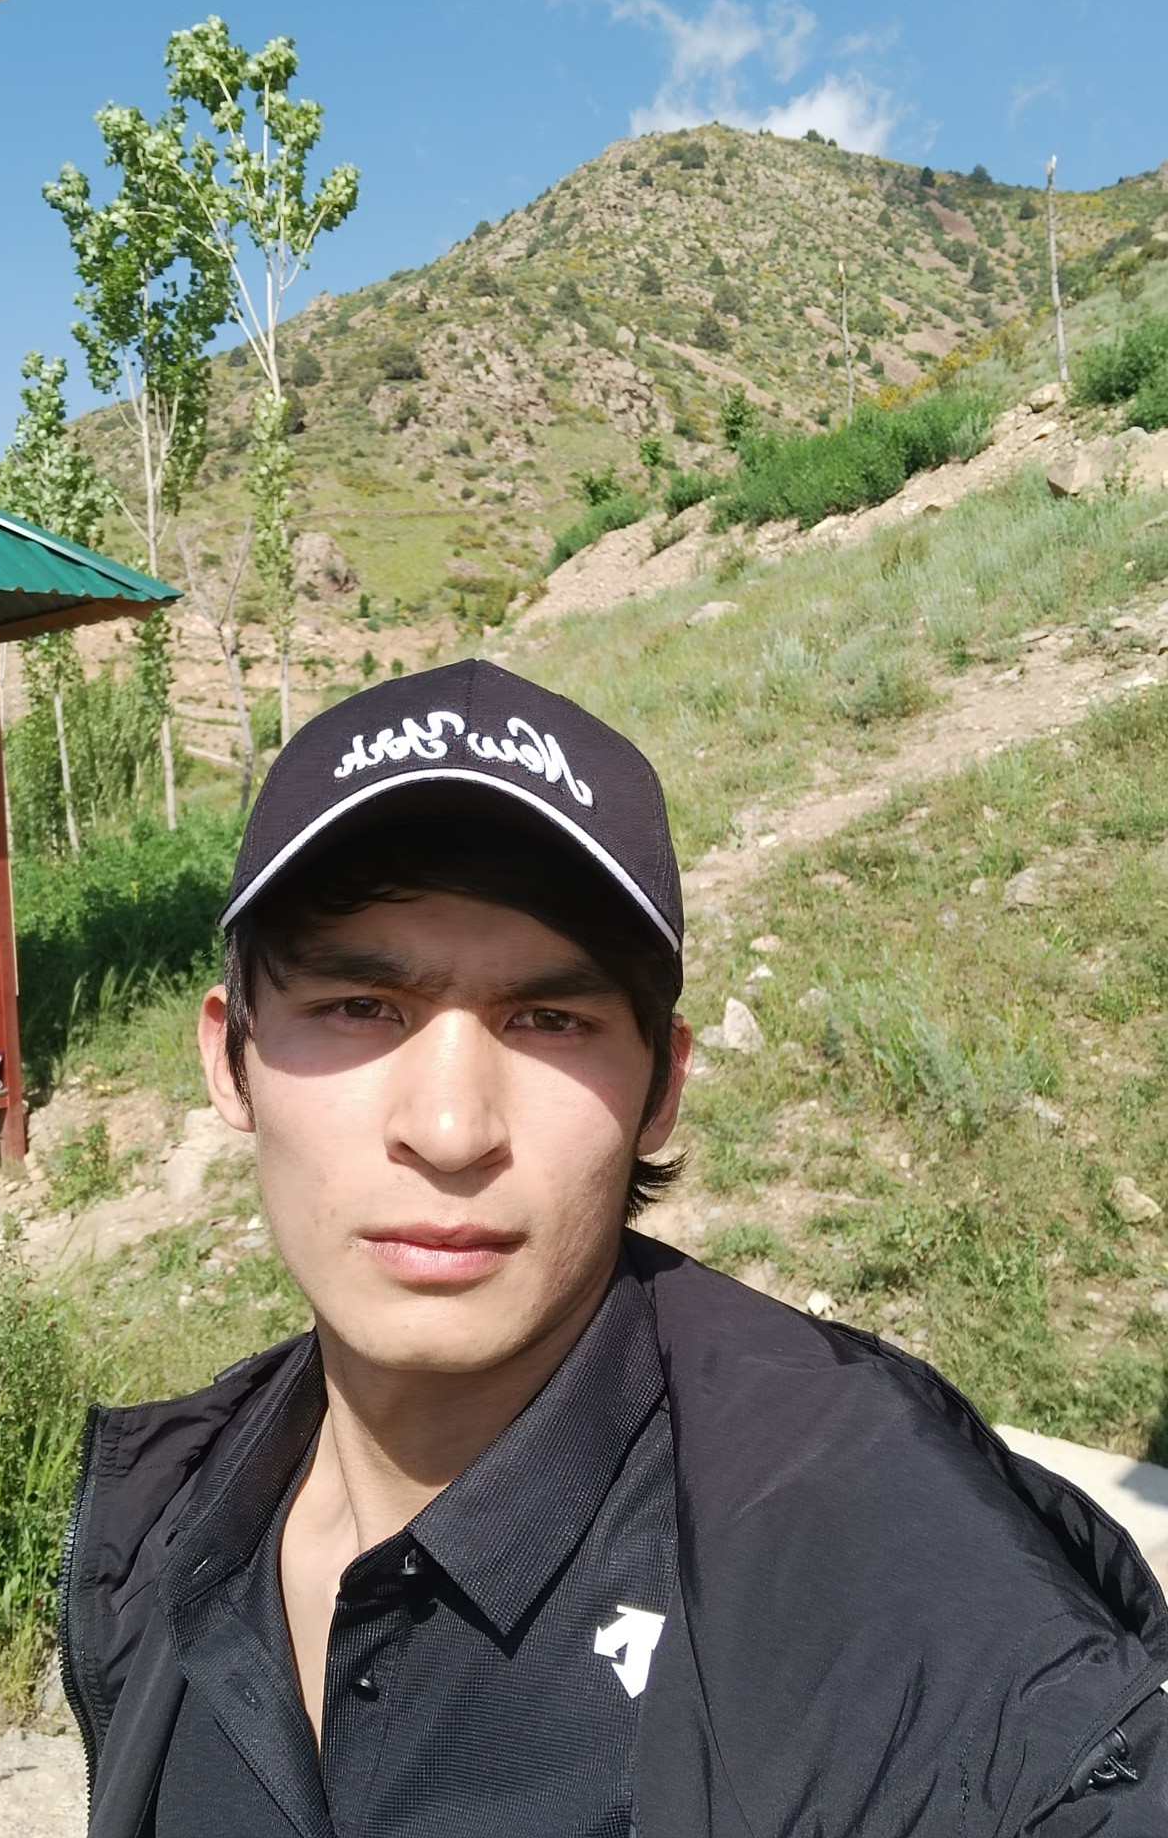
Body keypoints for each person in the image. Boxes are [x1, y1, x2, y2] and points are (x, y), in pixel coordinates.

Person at [59, 659, 1168, 1837]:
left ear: (660, 1091)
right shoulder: (179, 1510)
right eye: (359, 1008)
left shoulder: (876, 1564)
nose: (451, 1130)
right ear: (230, 1059)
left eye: (550, 1020)